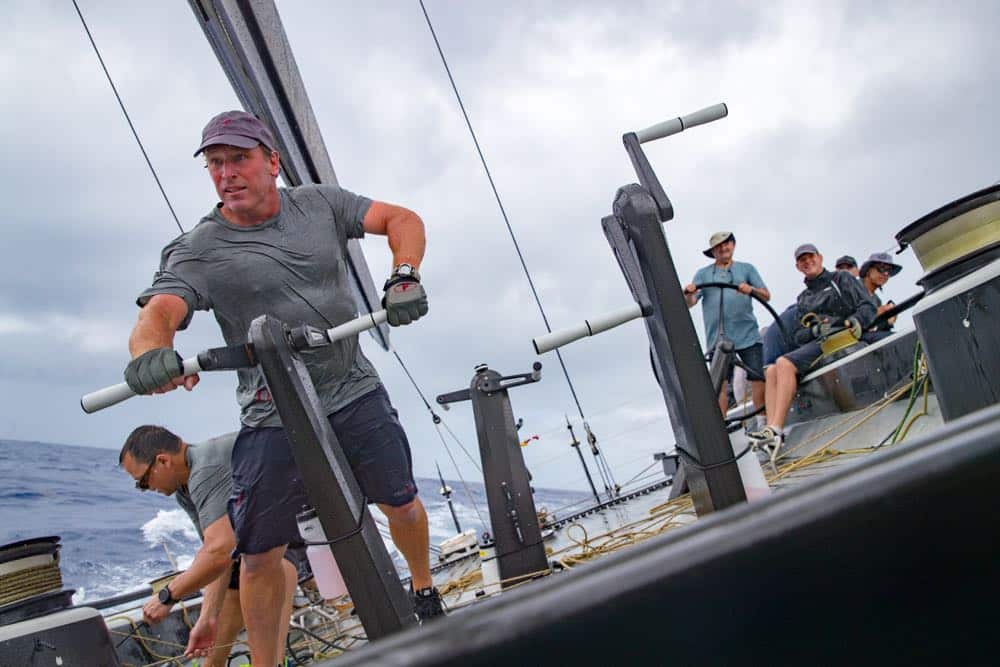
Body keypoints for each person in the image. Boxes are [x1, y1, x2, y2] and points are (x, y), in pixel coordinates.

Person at [122, 110, 438, 666]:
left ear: (272, 161)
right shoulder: (198, 248)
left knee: (401, 502)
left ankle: (423, 587)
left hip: (350, 387)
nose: (227, 174)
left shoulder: (320, 205)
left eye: (239, 159)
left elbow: (401, 218)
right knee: (259, 551)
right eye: (216, 164)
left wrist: (404, 274)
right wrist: (151, 355)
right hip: (271, 413)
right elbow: (160, 312)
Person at [119, 426, 298, 667]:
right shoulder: (186, 490)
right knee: (238, 579)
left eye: (142, 482)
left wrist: (167, 596)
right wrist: (207, 617)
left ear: (162, 461)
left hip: (302, 503)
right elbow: (219, 557)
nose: (145, 489)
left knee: (264, 565)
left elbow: (219, 553)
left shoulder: (205, 471)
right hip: (274, 519)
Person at [749, 244, 876, 458]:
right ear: (798, 267)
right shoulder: (803, 299)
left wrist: (855, 321)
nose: (807, 262)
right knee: (771, 370)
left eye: (810, 258)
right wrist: (814, 330)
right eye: (802, 260)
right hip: (819, 342)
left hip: (841, 337)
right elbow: (799, 336)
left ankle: (776, 430)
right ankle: (771, 431)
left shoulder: (841, 280)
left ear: (820, 258)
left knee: (784, 363)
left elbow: (867, 306)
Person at [684, 231, 771, 415]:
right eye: (718, 246)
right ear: (713, 252)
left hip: (747, 334)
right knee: (719, 384)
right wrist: (689, 293)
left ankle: (763, 421)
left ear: (733, 245)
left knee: (757, 376)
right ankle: (721, 430)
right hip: (718, 339)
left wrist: (751, 289)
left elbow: (766, 296)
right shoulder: (703, 274)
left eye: (727, 244)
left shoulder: (747, 269)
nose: (724, 248)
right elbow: (689, 304)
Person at [859, 251, 903, 340]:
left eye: (889, 271)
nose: (885, 274)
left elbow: (873, 327)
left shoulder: (876, 300)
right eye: (881, 268)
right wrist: (878, 312)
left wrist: (887, 321)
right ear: (868, 270)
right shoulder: (853, 288)